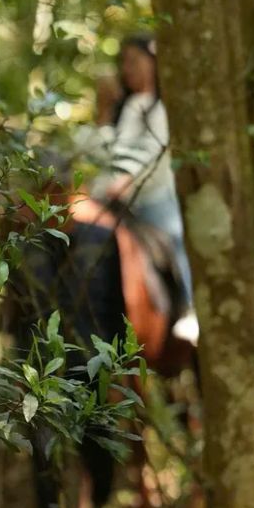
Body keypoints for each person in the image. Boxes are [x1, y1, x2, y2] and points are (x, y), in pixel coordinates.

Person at [88, 33, 193, 317]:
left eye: (134, 61)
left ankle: (188, 307)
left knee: (176, 236)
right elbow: (103, 153)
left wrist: (125, 180)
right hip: (114, 202)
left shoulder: (163, 107)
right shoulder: (129, 107)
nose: (127, 68)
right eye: (123, 62)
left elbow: (151, 154)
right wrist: (104, 113)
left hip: (151, 200)